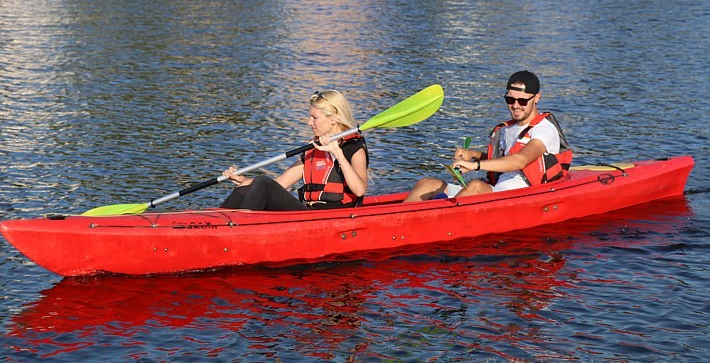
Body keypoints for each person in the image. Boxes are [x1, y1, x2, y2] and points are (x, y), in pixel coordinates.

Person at [404, 70, 572, 202]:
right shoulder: (508, 128)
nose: (515, 106)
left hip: (521, 197)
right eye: (510, 100)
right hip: (496, 190)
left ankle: (433, 220)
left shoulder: (543, 129)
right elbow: (504, 159)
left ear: (536, 98)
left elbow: (520, 161)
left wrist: (476, 165)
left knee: (476, 186)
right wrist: (473, 155)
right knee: (427, 184)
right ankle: (397, 222)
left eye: (522, 101)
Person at [221, 90, 369, 211]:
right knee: (244, 190)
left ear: (333, 119)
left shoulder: (353, 148)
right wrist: (244, 180)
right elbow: (280, 184)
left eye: (314, 117)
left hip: (334, 217)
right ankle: (215, 222)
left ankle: (241, 228)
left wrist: (337, 152)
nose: (309, 122)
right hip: (309, 213)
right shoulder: (313, 149)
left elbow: (359, 190)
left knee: (263, 182)